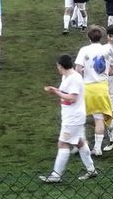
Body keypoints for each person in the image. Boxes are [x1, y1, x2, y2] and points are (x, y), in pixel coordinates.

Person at [39, 54, 99, 183]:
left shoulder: (75, 79)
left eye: (58, 66)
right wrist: (55, 89)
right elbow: (65, 92)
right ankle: (91, 169)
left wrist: (55, 92)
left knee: (63, 143)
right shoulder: (66, 76)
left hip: (73, 118)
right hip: (71, 116)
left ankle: (56, 175)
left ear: (61, 66)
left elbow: (72, 97)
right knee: (80, 142)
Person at [74, 26, 113, 156]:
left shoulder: (84, 50)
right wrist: (105, 73)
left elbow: (77, 70)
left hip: (88, 88)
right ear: (101, 37)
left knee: (79, 117)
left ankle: (78, 144)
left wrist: (86, 73)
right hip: (102, 87)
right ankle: (97, 148)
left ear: (88, 37)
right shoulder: (107, 50)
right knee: (99, 119)